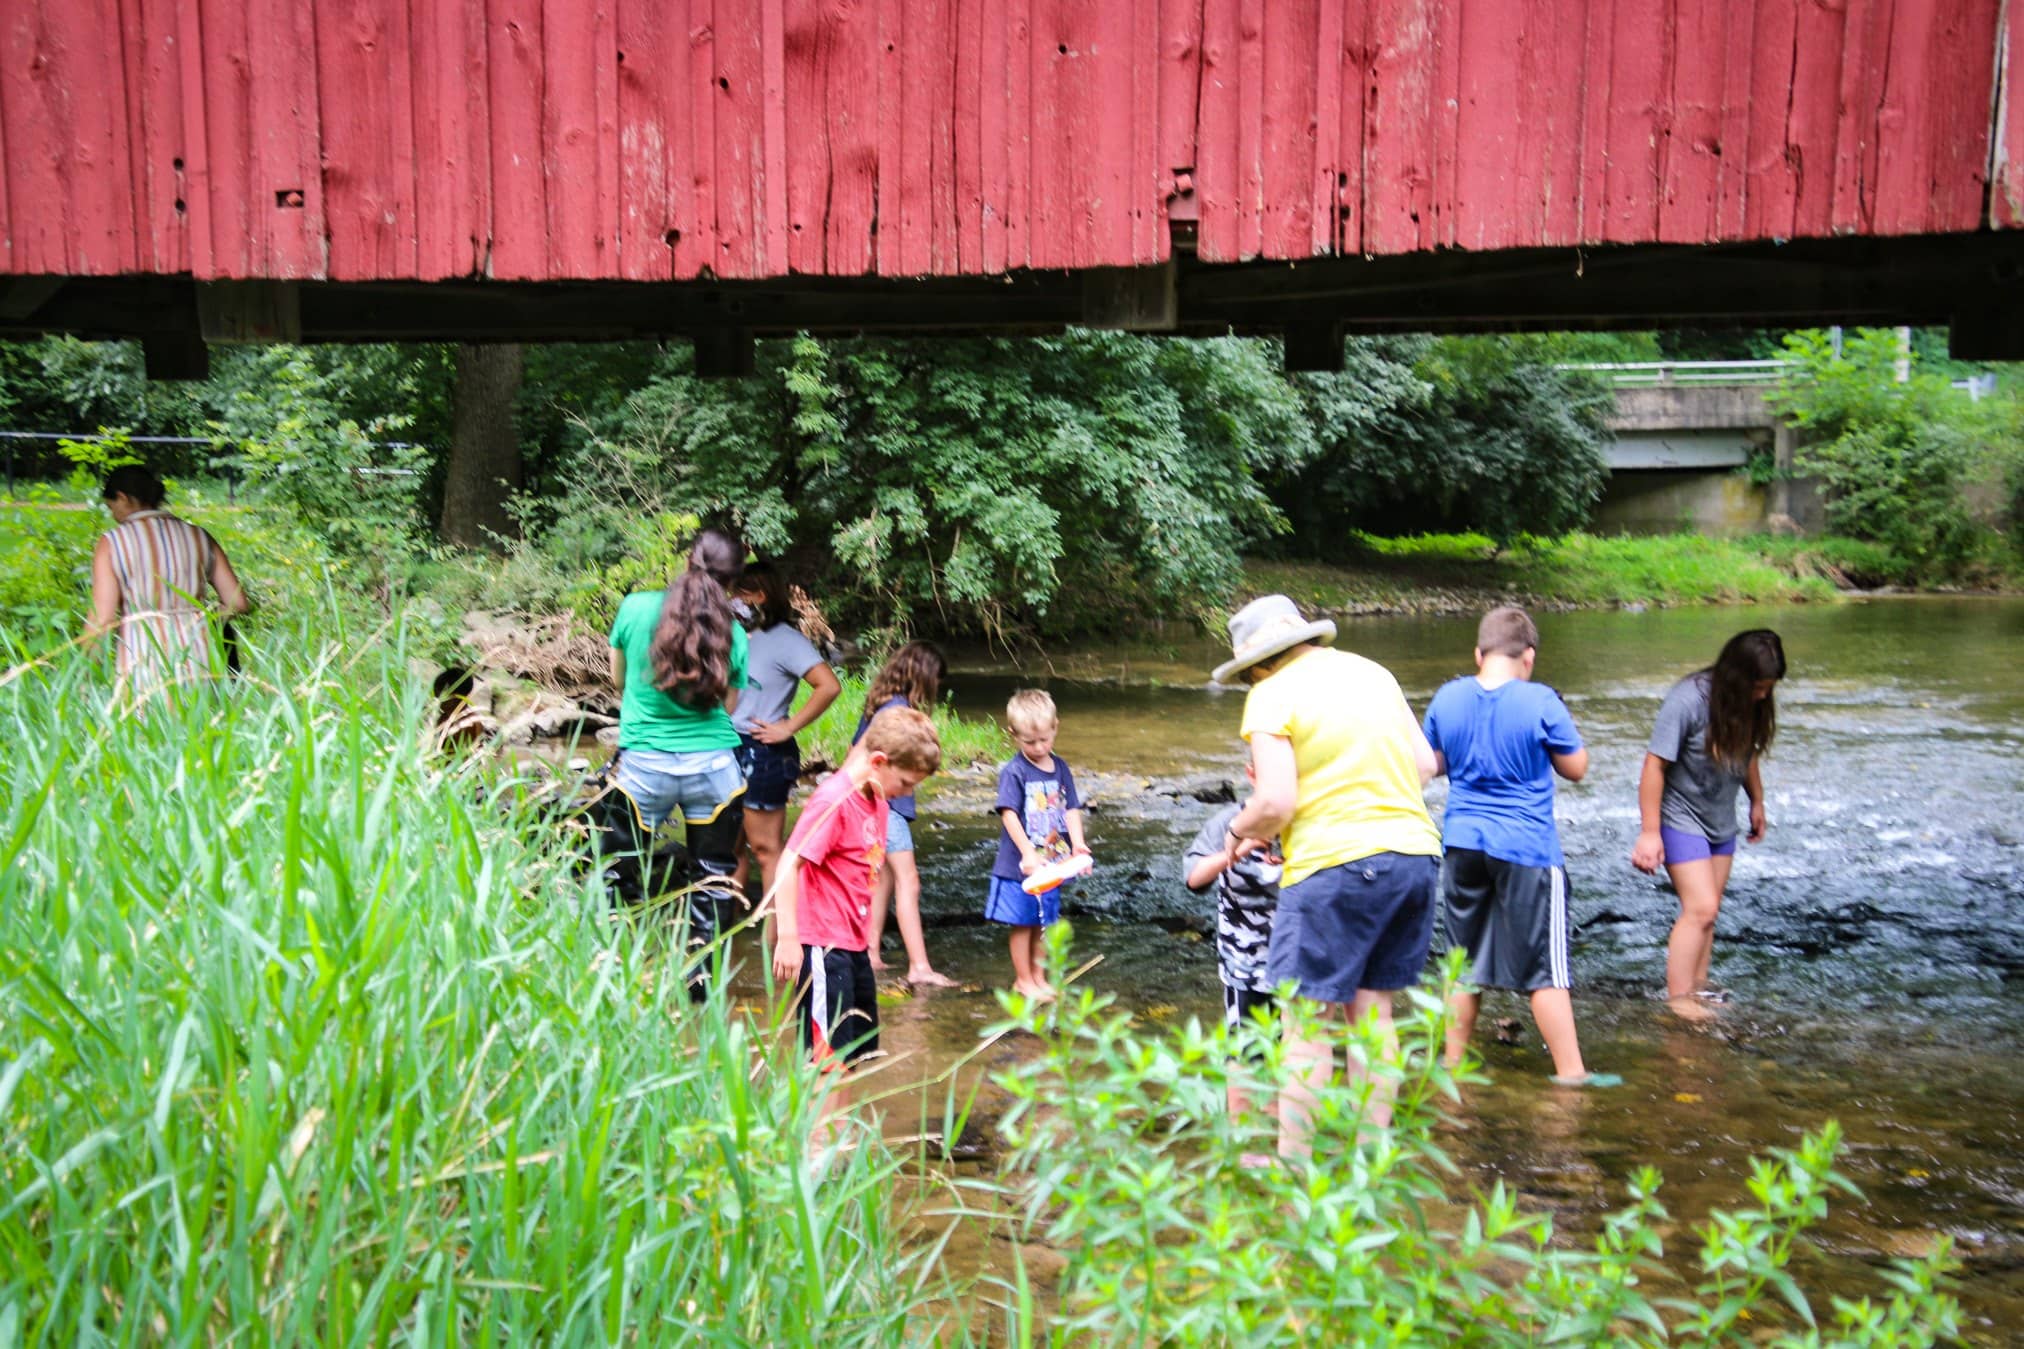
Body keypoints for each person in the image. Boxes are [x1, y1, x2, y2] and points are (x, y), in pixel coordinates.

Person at [1217, 594, 1442, 1158]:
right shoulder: (1374, 673)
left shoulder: (1271, 694)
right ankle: (1369, 1158)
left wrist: (1238, 830)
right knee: (1374, 1014)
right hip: (1414, 856)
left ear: (1257, 665)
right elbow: (1424, 766)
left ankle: (1295, 1169)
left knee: (1305, 1023)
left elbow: (1274, 802)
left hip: (1333, 865)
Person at [1422, 606, 1618, 1088]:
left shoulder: (1448, 696)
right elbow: (1576, 768)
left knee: (1462, 964)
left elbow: (1431, 764)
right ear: (1528, 657)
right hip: (1526, 847)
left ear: (1479, 654)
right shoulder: (1541, 700)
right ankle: (1571, 1075)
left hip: (1462, 842)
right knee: (1546, 969)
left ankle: (1453, 1066)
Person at [771, 706, 943, 1146]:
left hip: (852, 945)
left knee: (848, 1054)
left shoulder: (877, 799)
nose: (907, 793)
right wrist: (788, 938)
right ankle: (814, 1148)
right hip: (822, 946)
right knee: (824, 1057)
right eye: (906, 783)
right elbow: (789, 863)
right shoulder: (834, 800)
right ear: (879, 761)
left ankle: (839, 1138)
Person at [604, 527, 749, 995]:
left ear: (689, 559)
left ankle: (615, 975)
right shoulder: (734, 632)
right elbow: (729, 706)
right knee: (713, 877)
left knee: (617, 870)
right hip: (714, 771)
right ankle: (700, 991)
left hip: (643, 768)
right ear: (733, 582)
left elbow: (619, 680)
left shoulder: (636, 608)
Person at [1631, 628, 1786, 1018]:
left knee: (1708, 913)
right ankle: (1679, 1001)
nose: (1763, 696)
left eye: (1768, 689)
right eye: (1758, 687)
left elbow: (1747, 752)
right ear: (1736, 676)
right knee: (1700, 908)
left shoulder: (1750, 703)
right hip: (1680, 815)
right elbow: (1654, 765)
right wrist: (1649, 832)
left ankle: (1697, 988)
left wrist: (1757, 800)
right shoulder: (1688, 700)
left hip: (1720, 818)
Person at [1183, 761, 1284, 1148]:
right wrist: (1238, 850)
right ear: (1251, 774)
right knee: (1243, 1049)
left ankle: (1280, 1135)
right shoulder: (1229, 821)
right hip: (1245, 962)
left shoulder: (1306, 821)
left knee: (1291, 1048)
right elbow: (1193, 878)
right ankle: (1243, 1137)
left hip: (1297, 960)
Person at [730, 560, 842, 902]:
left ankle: (777, 933)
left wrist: (788, 727)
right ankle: (728, 928)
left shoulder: (786, 641)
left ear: (760, 597)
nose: (731, 599)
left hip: (763, 752)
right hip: (725, 745)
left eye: (739, 593)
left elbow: (829, 685)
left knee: (766, 850)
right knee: (729, 848)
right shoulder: (734, 635)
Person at [87, 465, 250, 698]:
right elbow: (239, 603)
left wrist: (84, 672)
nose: (113, 515)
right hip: (200, 660)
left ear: (122, 498)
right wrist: (199, 617)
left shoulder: (112, 543)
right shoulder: (199, 536)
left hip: (141, 661)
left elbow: (102, 619)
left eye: (111, 507)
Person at [850, 641, 957, 987]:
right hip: (888, 806)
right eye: (936, 680)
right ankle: (919, 967)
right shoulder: (897, 712)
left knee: (883, 878)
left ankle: (870, 951)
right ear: (923, 676)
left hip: (880, 805)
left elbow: (853, 750)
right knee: (909, 881)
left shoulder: (882, 703)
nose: (936, 687)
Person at [986, 688, 1089, 1001]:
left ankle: (1039, 977)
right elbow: (1008, 813)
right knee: (1023, 923)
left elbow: (1071, 809)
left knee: (1045, 921)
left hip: (1053, 864)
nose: (1039, 747)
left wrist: (1079, 845)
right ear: (1013, 735)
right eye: (1030, 742)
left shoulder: (1061, 768)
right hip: (1021, 866)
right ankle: (1023, 980)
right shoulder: (1015, 772)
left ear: (1055, 727)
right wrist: (1028, 853)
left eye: (1044, 739)